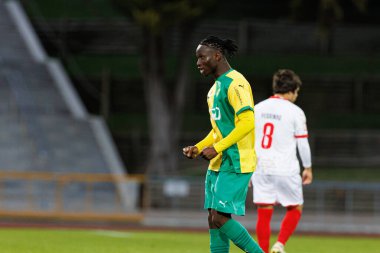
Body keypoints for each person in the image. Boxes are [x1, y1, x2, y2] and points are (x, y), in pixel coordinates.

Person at [182, 35, 263, 253]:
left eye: (202, 57)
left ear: (217, 56)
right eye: (196, 58)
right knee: (213, 218)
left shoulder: (236, 83)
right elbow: (218, 131)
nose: (198, 62)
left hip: (236, 160)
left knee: (219, 217)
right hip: (219, 162)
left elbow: (247, 122)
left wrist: (217, 148)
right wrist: (198, 147)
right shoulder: (214, 90)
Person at [251, 69, 313, 253]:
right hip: (286, 168)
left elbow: (247, 139)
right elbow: (303, 144)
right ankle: (279, 245)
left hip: (260, 167)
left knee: (264, 210)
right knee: (296, 207)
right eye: (297, 92)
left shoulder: (258, 108)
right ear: (292, 90)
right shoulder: (296, 112)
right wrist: (308, 167)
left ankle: (262, 251)